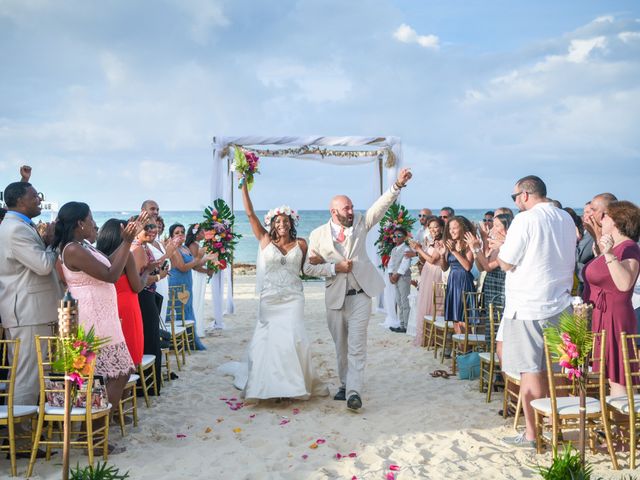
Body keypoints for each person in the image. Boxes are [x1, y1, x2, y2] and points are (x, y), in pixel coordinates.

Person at [303, 168, 413, 411]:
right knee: (340, 346)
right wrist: (334, 268)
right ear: (334, 212)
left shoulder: (362, 222)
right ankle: (344, 384)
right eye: (346, 208)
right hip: (334, 298)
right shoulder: (318, 235)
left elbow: (379, 208)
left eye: (352, 207)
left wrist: (397, 186)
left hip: (361, 295)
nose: (351, 211)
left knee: (357, 345)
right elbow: (308, 269)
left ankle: (354, 392)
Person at [220, 182, 328, 402]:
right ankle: (269, 386)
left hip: (294, 297)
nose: (282, 224)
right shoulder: (265, 240)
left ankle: (292, 386)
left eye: (285, 220)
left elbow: (306, 270)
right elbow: (250, 214)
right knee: (268, 341)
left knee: (293, 338)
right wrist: (243, 187)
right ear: (272, 224)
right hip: (269, 298)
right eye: (278, 221)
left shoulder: (302, 244)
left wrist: (324, 261)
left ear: (291, 222)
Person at [498, 175, 576, 448]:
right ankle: (557, 429)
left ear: (526, 194)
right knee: (558, 370)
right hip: (561, 302)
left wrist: (501, 248)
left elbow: (506, 262)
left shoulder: (525, 219)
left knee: (529, 371)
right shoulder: (565, 218)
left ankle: (532, 434)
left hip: (529, 303)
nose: (516, 202)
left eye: (515, 197)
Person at [53, 202, 143, 408]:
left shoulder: (82, 246)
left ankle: (95, 430)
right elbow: (111, 275)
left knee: (110, 374)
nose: (94, 223)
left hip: (101, 317)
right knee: (118, 372)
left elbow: (109, 265)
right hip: (92, 318)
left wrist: (126, 243)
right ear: (80, 223)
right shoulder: (73, 249)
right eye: (91, 219)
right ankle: (96, 429)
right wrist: (127, 242)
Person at [0, 181, 63, 455]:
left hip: (33, 309)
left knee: (39, 371)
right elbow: (42, 265)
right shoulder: (14, 229)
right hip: (26, 310)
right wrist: (56, 243)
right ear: (19, 201)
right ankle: (20, 436)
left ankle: (31, 426)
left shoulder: (20, 225)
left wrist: (47, 242)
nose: (39, 199)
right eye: (34, 195)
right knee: (27, 373)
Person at [583, 201, 640, 397]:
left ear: (617, 220)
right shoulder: (614, 245)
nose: (601, 218)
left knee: (618, 375)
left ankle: (623, 423)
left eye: (605, 215)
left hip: (615, 317)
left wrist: (608, 254)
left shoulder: (629, 248)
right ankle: (614, 422)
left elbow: (624, 284)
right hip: (601, 314)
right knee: (608, 373)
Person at [97, 219, 154, 366]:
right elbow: (138, 286)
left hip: (107, 306)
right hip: (127, 306)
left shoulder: (98, 255)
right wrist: (147, 271)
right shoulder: (126, 255)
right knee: (130, 356)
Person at [166, 223, 215, 351]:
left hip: (187, 282)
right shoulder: (174, 249)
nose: (180, 234)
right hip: (177, 282)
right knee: (178, 310)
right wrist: (199, 257)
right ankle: (177, 342)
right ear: (171, 236)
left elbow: (194, 264)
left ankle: (189, 340)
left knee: (186, 309)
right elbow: (182, 267)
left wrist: (207, 259)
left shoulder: (185, 249)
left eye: (182, 232)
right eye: (177, 233)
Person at [437, 216, 475, 334]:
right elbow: (444, 268)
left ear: (462, 229)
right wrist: (442, 255)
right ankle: (460, 349)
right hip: (452, 282)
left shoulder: (468, 244)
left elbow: (468, 267)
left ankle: (466, 349)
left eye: (454, 228)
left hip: (464, 282)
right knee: (455, 319)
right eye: (449, 228)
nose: (451, 231)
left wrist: (454, 251)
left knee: (464, 319)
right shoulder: (450, 244)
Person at [410, 216, 445, 346]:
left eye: (435, 227)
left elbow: (432, 260)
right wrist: (421, 248)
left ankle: (434, 338)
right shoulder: (432, 241)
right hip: (427, 272)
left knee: (434, 303)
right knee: (425, 303)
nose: (433, 230)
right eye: (430, 228)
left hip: (435, 273)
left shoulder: (441, 241)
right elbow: (425, 259)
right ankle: (426, 336)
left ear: (441, 227)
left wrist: (419, 248)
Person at [186, 224, 214, 340]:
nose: (204, 234)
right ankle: (196, 329)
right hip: (196, 276)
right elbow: (195, 266)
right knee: (196, 301)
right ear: (197, 234)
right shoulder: (193, 245)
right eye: (202, 232)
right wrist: (207, 269)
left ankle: (198, 327)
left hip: (200, 275)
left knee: (199, 300)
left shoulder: (197, 244)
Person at [387, 228, 412, 333]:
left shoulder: (406, 249)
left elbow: (405, 264)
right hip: (395, 277)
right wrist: (390, 274)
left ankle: (406, 325)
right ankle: (401, 325)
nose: (396, 238)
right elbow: (391, 263)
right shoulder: (394, 249)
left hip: (403, 277)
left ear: (405, 237)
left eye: (399, 235)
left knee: (404, 301)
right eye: (394, 236)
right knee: (398, 301)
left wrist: (397, 275)